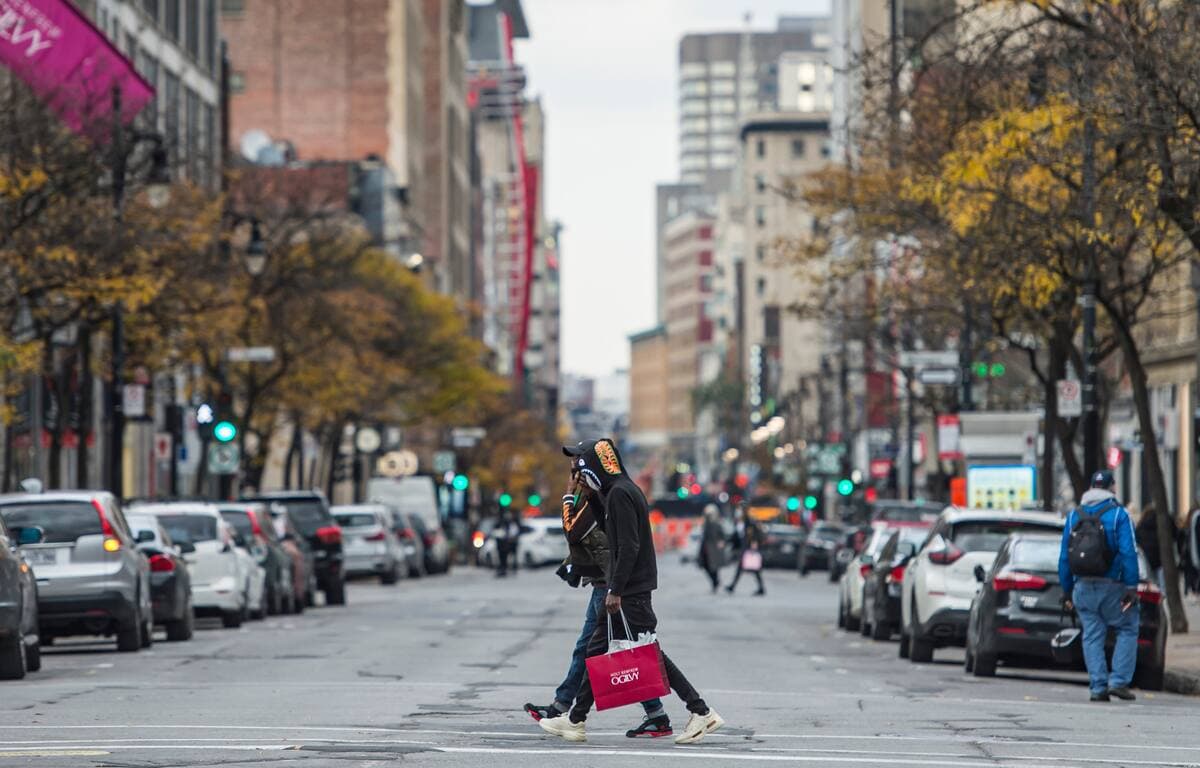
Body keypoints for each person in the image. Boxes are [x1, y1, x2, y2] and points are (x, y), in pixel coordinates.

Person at [538, 438, 724, 745]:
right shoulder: (614, 492)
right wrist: (589, 494)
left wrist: (615, 589)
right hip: (627, 588)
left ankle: (700, 711)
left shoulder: (622, 494)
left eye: (581, 462)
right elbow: (607, 526)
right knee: (595, 651)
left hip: (630, 591)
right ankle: (575, 720)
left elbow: (627, 545)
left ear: (596, 463)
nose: (577, 468)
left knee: (649, 654)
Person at [525, 468, 671, 738]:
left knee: (617, 649)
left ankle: (569, 712)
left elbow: (573, 531)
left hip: (610, 587)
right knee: (611, 648)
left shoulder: (605, 499)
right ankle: (568, 708)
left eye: (580, 473)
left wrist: (569, 495)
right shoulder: (604, 497)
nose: (576, 477)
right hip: (607, 585)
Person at [1058, 470, 1140, 702]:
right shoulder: (1118, 515)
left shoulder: (1074, 516)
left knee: (1092, 635)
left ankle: (1098, 687)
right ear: (1112, 487)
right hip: (1113, 586)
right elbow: (1128, 552)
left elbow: (1064, 556)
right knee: (1127, 627)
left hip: (1082, 587)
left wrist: (1066, 590)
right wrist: (1132, 586)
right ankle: (1119, 682)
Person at [725, 513, 765, 596]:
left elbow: (755, 536)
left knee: (753, 570)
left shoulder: (750, 525)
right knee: (749, 570)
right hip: (746, 550)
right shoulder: (742, 525)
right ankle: (732, 586)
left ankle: (733, 586)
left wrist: (754, 543)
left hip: (749, 551)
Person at [698, 504, 725, 593]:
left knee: (713, 567)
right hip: (705, 548)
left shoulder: (716, 523)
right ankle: (715, 581)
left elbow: (721, 535)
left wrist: (721, 541)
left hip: (713, 549)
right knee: (706, 566)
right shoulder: (706, 523)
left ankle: (715, 583)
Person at [493, 508, 521, 578]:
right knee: (502, 557)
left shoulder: (510, 524)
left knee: (506, 557)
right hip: (502, 544)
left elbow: (514, 533)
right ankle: (503, 569)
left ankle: (506, 569)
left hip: (506, 544)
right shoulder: (500, 523)